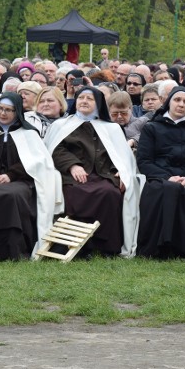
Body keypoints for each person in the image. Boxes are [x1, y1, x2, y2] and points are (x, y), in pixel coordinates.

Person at [0, 92, 62, 261]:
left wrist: (10, 175)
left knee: (12, 195)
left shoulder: (29, 133)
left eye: (9, 110)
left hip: (20, 181)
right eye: (0, 108)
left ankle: (16, 250)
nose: (3, 113)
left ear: (17, 113)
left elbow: (38, 162)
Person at [45, 86, 139, 257]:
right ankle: (75, 245)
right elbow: (55, 150)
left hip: (104, 174)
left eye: (89, 98)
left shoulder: (111, 128)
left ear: (99, 104)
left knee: (110, 193)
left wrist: (121, 171)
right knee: (75, 193)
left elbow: (122, 155)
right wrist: (73, 165)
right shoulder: (61, 125)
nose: (84, 101)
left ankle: (106, 247)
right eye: (81, 98)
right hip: (71, 175)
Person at [136, 87, 185, 259]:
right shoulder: (151, 127)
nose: (181, 105)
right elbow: (144, 161)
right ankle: (157, 248)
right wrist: (168, 177)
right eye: (177, 100)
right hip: (159, 176)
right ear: (168, 102)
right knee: (165, 189)